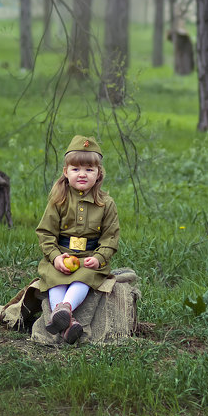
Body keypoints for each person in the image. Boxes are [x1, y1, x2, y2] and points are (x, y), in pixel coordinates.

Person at [35, 135, 119, 344]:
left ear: (99, 174)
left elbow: (110, 236)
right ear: (66, 172)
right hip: (62, 254)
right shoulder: (58, 200)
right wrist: (55, 257)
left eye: (89, 170)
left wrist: (99, 258)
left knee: (84, 276)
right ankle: (66, 321)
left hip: (88, 258)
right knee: (54, 279)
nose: (82, 174)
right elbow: (46, 233)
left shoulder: (106, 204)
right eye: (76, 169)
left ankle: (64, 310)